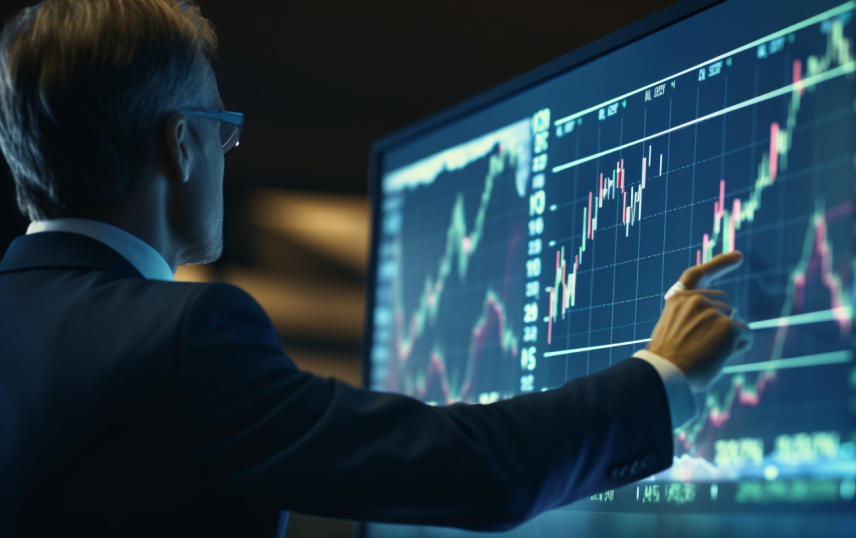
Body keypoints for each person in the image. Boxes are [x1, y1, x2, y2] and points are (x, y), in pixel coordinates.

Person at [0, 1, 747, 536]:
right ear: (182, 144)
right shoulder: (182, 336)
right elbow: (475, 473)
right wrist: (664, 375)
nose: (231, 155)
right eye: (225, 132)